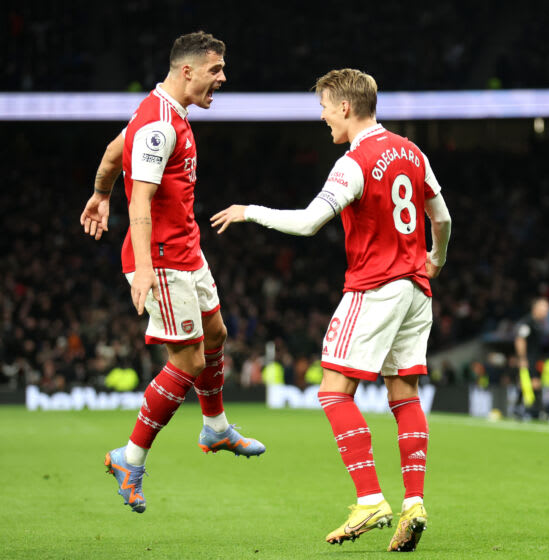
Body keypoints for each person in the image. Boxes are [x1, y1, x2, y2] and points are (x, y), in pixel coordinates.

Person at [211, 68, 452, 552]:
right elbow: (442, 217)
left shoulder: (354, 161)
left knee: (333, 391)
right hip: (417, 289)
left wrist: (248, 211)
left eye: (324, 106)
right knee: (405, 395)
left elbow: (307, 223)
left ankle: (369, 499)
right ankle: (414, 504)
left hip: (374, 287)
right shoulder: (412, 150)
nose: (321, 115)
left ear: (345, 107)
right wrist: (435, 260)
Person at [79, 31, 265, 514]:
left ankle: (216, 428)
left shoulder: (162, 112)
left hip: (187, 249)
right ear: (188, 71)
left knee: (216, 332)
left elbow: (114, 151)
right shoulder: (161, 124)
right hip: (161, 258)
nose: (222, 79)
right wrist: (143, 270)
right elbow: (139, 198)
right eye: (215, 70)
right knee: (188, 362)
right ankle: (130, 458)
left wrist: (100, 193)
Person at [514, 297, 549, 418]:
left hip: (535, 358)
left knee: (527, 383)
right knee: (533, 383)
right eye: (544, 308)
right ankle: (538, 411)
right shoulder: (528, 322)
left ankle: (518, 408)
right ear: (536, 308)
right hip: (528, 358)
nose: (546, 311)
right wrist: (522, 358)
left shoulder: (538, 323)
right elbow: (520, 339)